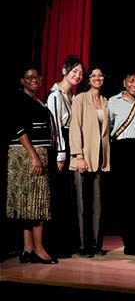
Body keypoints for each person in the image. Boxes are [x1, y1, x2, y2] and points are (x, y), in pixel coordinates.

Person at [8, 66, 58, 264]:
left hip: (37, 153)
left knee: (30, 204)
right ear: (22, 80)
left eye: (37, 77)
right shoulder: (19, 99)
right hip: (27, 155)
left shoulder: (37, 100)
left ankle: (27, 248)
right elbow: (19, 130)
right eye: (29, 78)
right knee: (37, 204)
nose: (34, 80)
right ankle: (38, 249)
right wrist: (35, 157)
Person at [69, 67, 110, 258]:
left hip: (100, 158)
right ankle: (83, 245)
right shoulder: (80, 99)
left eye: (100, 75)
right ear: (89, 79)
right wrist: (78, 155)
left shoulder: (105, 101)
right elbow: (74, 127)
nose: (97, 78)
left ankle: (96, 244)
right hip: (82, 158)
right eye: (94, 75)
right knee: (82, 203)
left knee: (98, 204)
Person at [108, 70, 135, 255]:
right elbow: (108, 126)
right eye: (131, 81)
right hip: (120, 150)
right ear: (124, 82)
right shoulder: (112, 101)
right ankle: (129, 244)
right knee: (124, 199)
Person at [46, 55, 84, 257]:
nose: (77, 75)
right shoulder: (55, 96)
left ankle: (69, 244)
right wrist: (61, 154)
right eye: (74, 71)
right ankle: (56, 246)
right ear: (64, 71)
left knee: (69, 197)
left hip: (70, 145)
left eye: (80, 72)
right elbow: (55, 129)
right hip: (60, 148)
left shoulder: (73, 97)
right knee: (59, 197)